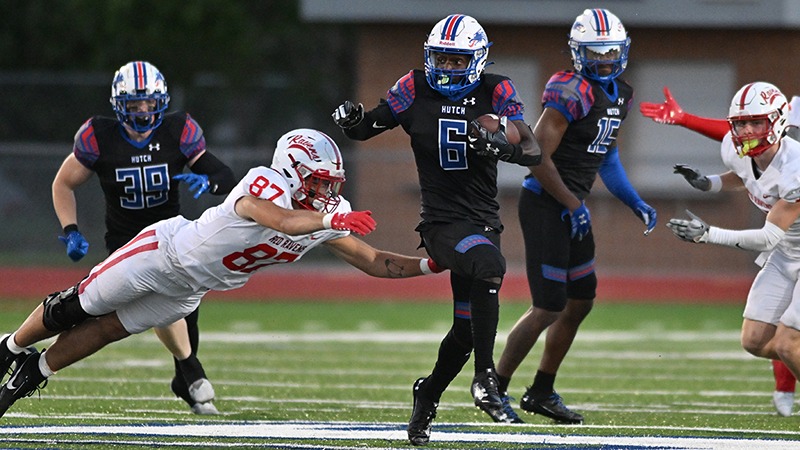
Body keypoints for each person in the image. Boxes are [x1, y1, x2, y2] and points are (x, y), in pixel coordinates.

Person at [0, 128, 444, 418]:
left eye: (332, 184)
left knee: (107, 331)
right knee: (81, 303)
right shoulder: (264, 184)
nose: (328, 192)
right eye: (319, 181)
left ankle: (31, 374)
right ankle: (10, 347)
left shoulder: (326, 216)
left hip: (189, 289)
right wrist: (330, 221)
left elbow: (372, 260)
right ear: (292, 172)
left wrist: (432, 265)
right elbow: (282, 222)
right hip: (163, 252)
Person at [332, 13, 541, 445]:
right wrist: (352, 120)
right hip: (442, 222)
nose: (445, 68)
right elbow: (369, 127)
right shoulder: (414, 85)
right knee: (488, 264)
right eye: (440, 59)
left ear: (477, 59)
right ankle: (486, 380)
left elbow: (533, 149)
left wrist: (498, 144)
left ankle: (427, 394)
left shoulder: (495, 89)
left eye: (455, 60)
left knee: (465, 329)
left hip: (483, 220)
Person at [492, 8, 657, 425]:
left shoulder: (620, 93)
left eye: (610, 52)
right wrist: (571, 202)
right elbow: (536, 156)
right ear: (578, 53)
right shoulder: (571, 91)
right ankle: (496, 386)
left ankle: (542, 391)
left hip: (572, 206)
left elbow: (608, 155)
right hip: (547, 204)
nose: (604, 61)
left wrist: (632, 199)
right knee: (548, 305)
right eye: (595, 52)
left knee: (580, 301)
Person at [48, 61, 237, 415]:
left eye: (149, 103)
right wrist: (70, 229)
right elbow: (64, 183)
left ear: (161, 101)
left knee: (186, 310)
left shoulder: (178, 130)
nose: (143, 111)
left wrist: (209, 183)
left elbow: (222, 173)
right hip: (126, 239)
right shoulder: (98, 135)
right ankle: (190, 370)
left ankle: (185, 373)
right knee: (136, 300)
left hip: (174, 235)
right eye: (134, 104)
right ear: (119, 104)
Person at [642, 85, 800, 417]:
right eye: (740, 124)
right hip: (789, 251)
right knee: (755, 341)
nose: (745, 132)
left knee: (788, 343)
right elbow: (745, 175)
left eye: (755, 123)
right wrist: (710, 182)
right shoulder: (738, 149)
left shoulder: (795, 168)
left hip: (781, 244)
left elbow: (768, 237)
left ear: (779, 120)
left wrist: (709, 235)